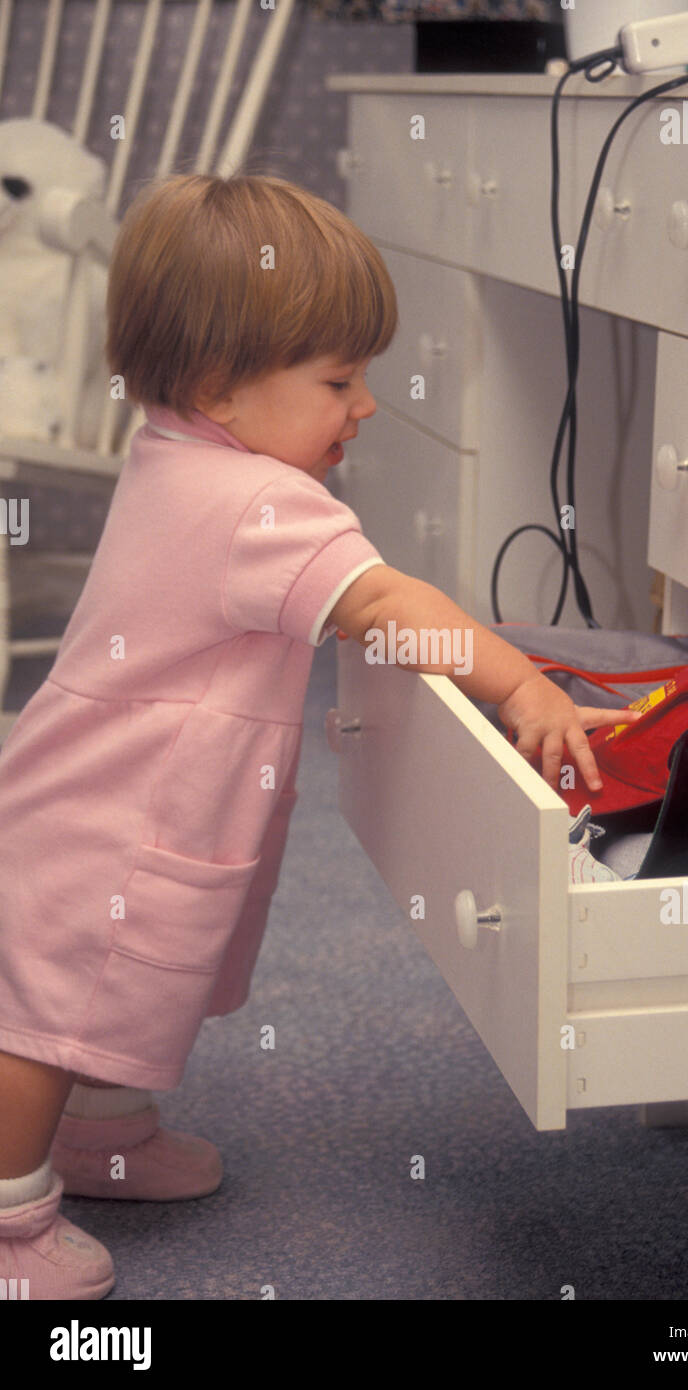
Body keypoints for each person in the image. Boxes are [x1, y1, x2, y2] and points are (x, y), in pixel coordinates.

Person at [0, 173, 640, 1300]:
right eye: (339, 379)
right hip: (105, 822)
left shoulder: (176, 449)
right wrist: (524, 688)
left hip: (88, 799)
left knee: (90, 992)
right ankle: (9, 1226)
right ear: (218, 388)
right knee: (42, 1021)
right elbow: (388, 608)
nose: (366, 405)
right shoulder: (261, 504)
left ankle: (103, 1134)